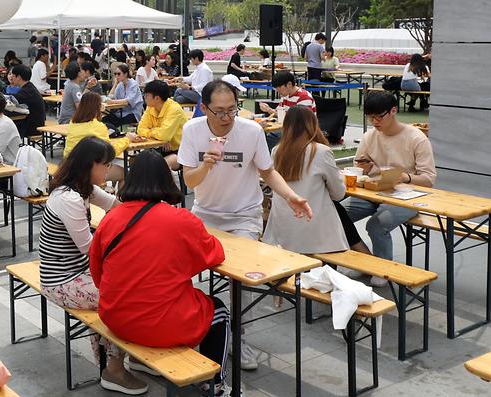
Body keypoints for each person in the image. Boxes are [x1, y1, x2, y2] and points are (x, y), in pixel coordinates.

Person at [178, 79, 312, 370]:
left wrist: (290, 196)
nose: (227, 118)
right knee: (178, 270)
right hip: (205, 214)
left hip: (244, 215)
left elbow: (268, 171)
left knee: (241, 279)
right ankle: (187, 331)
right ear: (204, 108)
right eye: (220, 112)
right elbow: (189, 180)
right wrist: (206, 165)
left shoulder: (251, 131)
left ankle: (240, 339)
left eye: (232, 110)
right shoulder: (192, 130)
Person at [90, 150, 231, 397]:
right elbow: (215, 254)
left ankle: (138, 361)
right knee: (219, 310)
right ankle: (215, 384)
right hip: (160, 324)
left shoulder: (110, 218)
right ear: (167, 180)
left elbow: (97, 274)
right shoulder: (181, 219)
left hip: (116, 317)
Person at [38, 137, 148, 395]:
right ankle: (114, 369)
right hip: (61, 281)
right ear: (89, 165)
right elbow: (90, 250)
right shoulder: (69, 198)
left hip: (78, 273)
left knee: (128, 285)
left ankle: (124, 359)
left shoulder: (82, 188)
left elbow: (118, 208)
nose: (109, 171)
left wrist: (149, 220)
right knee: (124, 296)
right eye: (106, 165)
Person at [344, 91, 436, 270]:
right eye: (371, 118)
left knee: (376, 225)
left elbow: (429, 179)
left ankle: (383, 271)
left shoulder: (416, 138)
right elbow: (359, 164)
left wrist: (405, 177)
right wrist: (365, 168)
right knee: (337, 216)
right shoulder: (369, 137)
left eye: (379, 117)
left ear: (393, 111)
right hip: (374, 193)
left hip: (408, 197)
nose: (375, 122)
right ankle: (364, 260)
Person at [262, 107, 348, 254]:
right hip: (316, 235)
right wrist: (342, 177)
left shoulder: (277, 151)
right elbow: (338, 194)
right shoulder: (321, 151)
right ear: (313, 124)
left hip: (281, 231)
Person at [64, 93, 127, 181]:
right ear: (97, 108)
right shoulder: (98, 126)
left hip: (68, 167)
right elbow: (111, 153)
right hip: (87, 170)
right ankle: (114, 194)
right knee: (125, 173)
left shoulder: (72, 123)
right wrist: (127, 139)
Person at [134, 80, 187, 170]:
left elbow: (164, 135)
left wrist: (162, 136)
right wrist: (162, 138)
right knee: (136, 163)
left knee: (155, 168)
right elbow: (140, 129)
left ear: (157, 98)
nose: (144, 97)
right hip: (160, 148)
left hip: (181, 151)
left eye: (147, 95)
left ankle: (165, 184)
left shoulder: (174, 110)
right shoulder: (150, 107)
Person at [8, 64, 47, 137]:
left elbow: (13, 98)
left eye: (13, 76)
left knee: (7, 127)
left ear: (19, 77)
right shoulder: (29, 87)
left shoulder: (27, 90)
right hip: (33, 121)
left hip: (33, 126)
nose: (12, 78)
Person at [104, 63, 143, 129]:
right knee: (105, 119)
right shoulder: (120, 85)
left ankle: (116, 133)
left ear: (125, 74)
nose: (116, 76)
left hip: (133, 113)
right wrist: (115, 84)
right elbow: (110, 97)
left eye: (119, 74)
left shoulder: (133, 84)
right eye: (115, 74)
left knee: (114, 121)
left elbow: (127, 101)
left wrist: (112, 102)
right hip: (121, 112)